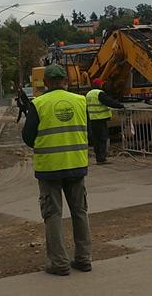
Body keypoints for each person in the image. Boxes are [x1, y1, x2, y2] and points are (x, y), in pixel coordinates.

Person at [22, 64, 92, 276]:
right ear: (66, 81)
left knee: (53, 214)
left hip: (50, 168)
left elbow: (28, 136)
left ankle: (59, 262)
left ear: (45, 83)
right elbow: (86, 127)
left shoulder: (39, 103)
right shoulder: (80, 101)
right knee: (80, 212)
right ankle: (84, 258)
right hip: (77, 165)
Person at [86, 78, 124, 165]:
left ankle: (98, 158)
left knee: (96, 140)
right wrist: (120, 106)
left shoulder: (88, 94)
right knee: (102, 139)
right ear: (99, 85)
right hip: (100, 120)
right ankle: (102, 159)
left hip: (92, 120)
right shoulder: (99, 93)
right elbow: (109, 102)